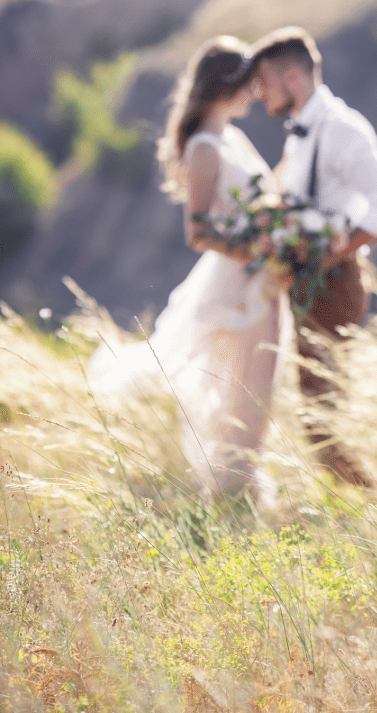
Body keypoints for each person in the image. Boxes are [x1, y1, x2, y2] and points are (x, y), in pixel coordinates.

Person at [88, 36, 289, 501]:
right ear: (227, 86)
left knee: (258, 385)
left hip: (262, 274)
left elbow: (264, 198)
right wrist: (255, 250)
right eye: (249, 85)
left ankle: (236, 489)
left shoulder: (231, 137)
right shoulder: (203, 148)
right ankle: (230, 492)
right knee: (244, 387)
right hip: (236, 280)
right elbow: (198, 232)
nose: (256, 93)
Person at [249, 26, 377, 487]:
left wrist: (337, 252)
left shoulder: (342, 129)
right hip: (305, 285)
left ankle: (376, 510)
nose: (259, 95)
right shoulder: (300, 134)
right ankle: (359, 509)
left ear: (293, 76)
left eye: (265, 82)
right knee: (318, 415)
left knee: (321, 421)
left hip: (333, 286)